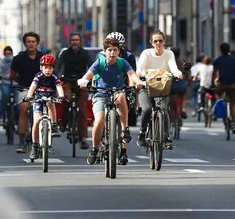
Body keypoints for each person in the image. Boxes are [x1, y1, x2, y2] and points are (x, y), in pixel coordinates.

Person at [78, 37, 144, 165]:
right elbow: (89, 74)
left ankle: (125, 129)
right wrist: (83, 81)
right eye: (109, 50)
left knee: (121, 95)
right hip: (100, 93)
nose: (112, 53)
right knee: (99, 120)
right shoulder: (100, 63)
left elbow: (132, 74)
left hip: (117, 91)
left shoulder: (122, 62)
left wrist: (139, 82)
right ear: (104, 51)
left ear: (119, 51)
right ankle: (94, 149)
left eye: (115, 50)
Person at [136, 30, 183, 149]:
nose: (158, 43)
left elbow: (173, 67)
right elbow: (139, 70)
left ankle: (166, 137)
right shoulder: (146, 53)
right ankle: (142, 133)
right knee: (146, 109)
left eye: (160, 41)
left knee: (163, 109)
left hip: (162, 87)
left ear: (164, 42)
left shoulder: (169, 54)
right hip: (146, 86)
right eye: (155, 41)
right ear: (151, 43)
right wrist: (143, 77)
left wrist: (178, 74)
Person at [25, 54, 66, 159]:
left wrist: (61, 96)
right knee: (37, 121)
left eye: (50, 68)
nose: (48, 70)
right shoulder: (38, 76)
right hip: (38, 98)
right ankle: (34, 146)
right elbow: (32, 87)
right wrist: (29, 96)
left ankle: (54, 124)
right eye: (46, 67)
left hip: (50, 97)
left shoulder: (54, 77)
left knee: (51, 104)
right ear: (41, 68)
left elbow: (59, 87)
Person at [56, 32, 92, 149]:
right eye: (73, 40)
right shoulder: (65, 53)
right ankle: (64, 124)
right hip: (67, 81)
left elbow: (91, 67)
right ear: (69, 42)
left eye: (77, 40)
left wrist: (90, 80)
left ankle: (83, 139)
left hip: (82, 82)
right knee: (66, 99)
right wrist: (56, 76)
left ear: (80, 42)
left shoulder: (85, 53)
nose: (75, 42)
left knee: (82, 109)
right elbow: (58, 65)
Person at [10, 32, 45, 153]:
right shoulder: (18, 59)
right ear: (25, 43)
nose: (31, 44)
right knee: (23, 110)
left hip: (42, 90)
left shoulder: (44, 58)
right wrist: (20, 83)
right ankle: (22, 140)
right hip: (24, 88)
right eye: (28, 42)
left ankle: (47, 134)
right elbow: (13, 75)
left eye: (33, 41)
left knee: (46, 109)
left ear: (37, 43)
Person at [213, 42, 235, 135]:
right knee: (234, 102)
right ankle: (234, 124)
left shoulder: (217, 60)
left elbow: (214, 73)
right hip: (233, 84)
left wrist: (212, 83)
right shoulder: (234, 59)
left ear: (220, 50)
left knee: (217, 95)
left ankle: (220, 106)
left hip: (222, 84)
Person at [0, 46, 16, 126]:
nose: (8, 55)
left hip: (15, 83)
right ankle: (2, 117)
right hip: (5, 82)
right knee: (5, 95)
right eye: (6, 54)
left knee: (17, 102)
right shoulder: (1, 63)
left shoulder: (16, 61)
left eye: (9, 54)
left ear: (12, 54)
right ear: (4, 54)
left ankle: (17, 120)